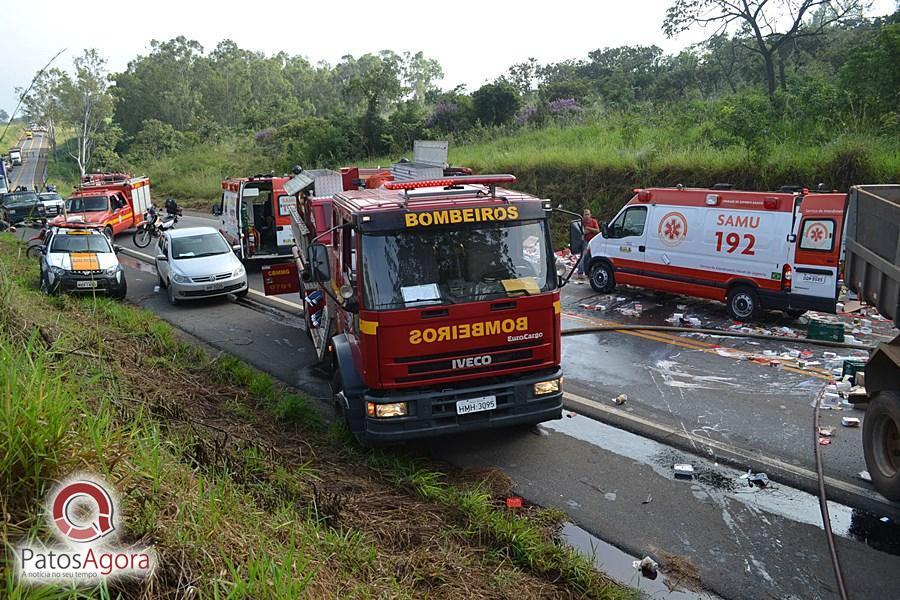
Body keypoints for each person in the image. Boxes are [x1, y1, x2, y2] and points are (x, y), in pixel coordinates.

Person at [576, 208, 600, 280]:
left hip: (593, 241)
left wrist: (589, 229)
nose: (586, 216)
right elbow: (581, 231)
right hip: (585, 241)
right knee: (583, 256)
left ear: (590, 215)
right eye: (585, 214)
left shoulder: (593, 221)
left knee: (593, 256)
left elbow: (597, 230)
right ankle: (580, 272)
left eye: (588, 214)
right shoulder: (581, 222)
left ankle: (591, 272)